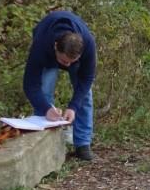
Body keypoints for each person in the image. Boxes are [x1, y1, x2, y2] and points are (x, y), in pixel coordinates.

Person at [23, 10, 97, 161]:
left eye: (72, 61)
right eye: (64, 62)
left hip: (68, 52)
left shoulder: (88, 44)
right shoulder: (41, 45)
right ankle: (43, 142)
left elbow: (87, 79)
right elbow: (30, 85)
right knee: (44, 91)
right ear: (56, 46)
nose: (68, 65)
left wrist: (73, 107)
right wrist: (46, 108)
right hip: (48, 54)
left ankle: (83, 144)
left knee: (85, 96)